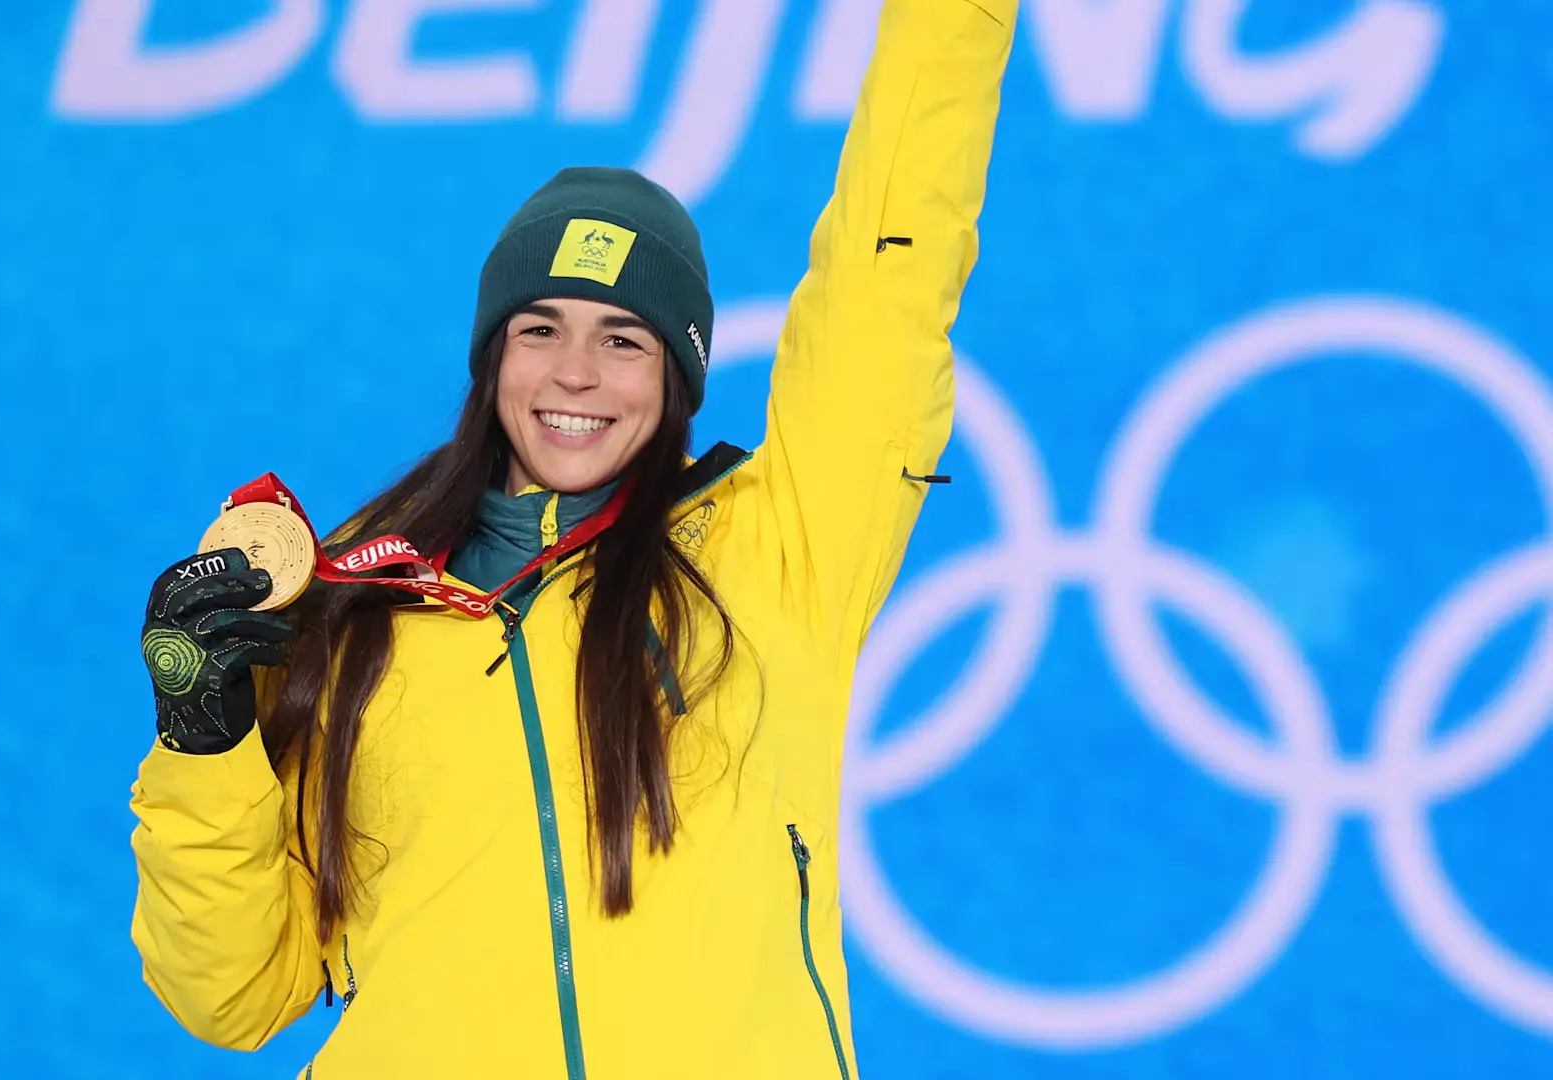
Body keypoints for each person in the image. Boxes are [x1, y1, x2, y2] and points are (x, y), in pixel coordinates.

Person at [130, 1, 1016, 1075]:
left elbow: (892, 279)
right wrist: (201, 739)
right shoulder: (351, 604)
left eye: (625, 340)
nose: (576, 375)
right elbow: (231, 995)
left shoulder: (781, 547)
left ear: (679, 376)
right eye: (539, 329)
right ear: (491, 358)